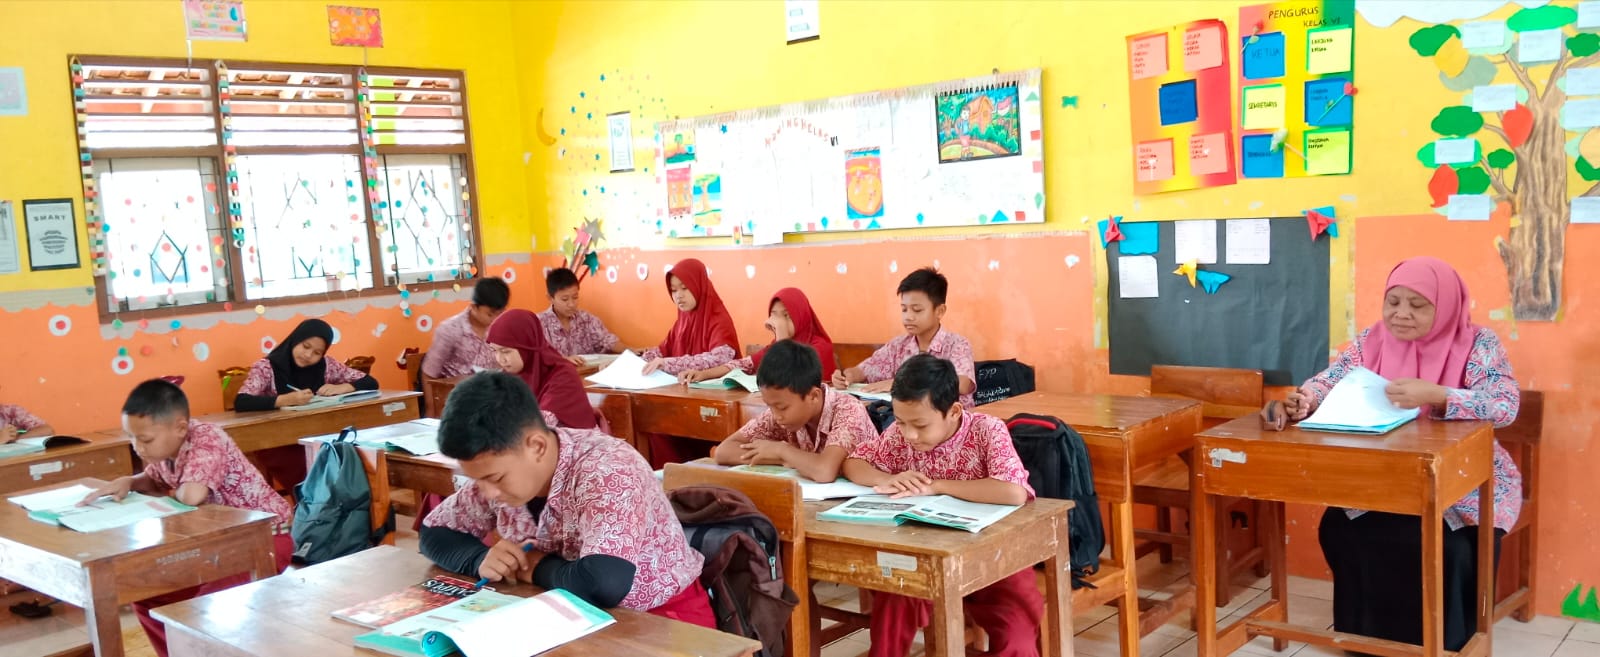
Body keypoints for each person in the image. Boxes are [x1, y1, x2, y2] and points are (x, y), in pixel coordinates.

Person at [1279, 257, 1521, 652]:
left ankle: (1445, 643)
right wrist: (1305, 399)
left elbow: (1505, 405)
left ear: (1445, 306)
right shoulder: (1371, 340)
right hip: (1386, 474)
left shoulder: (1479, 343)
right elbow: (1329, 382)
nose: (1401, 313)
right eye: (1393, 302)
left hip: (1466, 481)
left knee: (1446, 544)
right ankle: (1366, 638)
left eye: (1417, 304)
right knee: (1340, 526)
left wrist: (1440, 395)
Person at [418, 372, 714, 628]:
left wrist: (532, 566)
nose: (486, 492)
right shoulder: (502, 466)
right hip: (563, 614)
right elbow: (434, 532)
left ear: (536, 446)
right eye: (476, 479)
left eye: (494, 479)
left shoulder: (608, 468)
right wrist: (479, 559)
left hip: (658, 622)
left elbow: (604, 583)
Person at [842, 354, 1039, 657]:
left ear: (954, 411)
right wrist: (888, 478)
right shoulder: (900, 435)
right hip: (925, 560)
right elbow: (854, 463)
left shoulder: (987, 430)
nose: (909, 434)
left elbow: (1013, 492)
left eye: (920, 425)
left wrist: (937, 486)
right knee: (894, 601)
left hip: (994, 560)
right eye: (901, 421)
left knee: (1017, 638)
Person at [81, 379, 293, 657]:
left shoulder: (207, 438)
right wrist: (129, 482)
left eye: (145, 439)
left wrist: (167, 495)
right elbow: (154, 479)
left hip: (263, 540)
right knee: (149, 595)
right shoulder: (166, 448)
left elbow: (192, 495)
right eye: (131, 438)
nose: (138, 448)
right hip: (215, 545)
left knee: (202, 611)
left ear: (180, 428)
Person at [235, 319, 378, 486]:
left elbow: (370, 382)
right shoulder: (266, 367)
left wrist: (343, 387)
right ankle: (311, 501)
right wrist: (284, 400)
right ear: (295, 340)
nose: (308, 355)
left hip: (317, 435)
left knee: (347, 459)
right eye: (305, 346)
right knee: (311, 469)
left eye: (317, 352)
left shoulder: (327, 365)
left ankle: (338, 500)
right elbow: (242, 401)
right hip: (277, 440)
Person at [713, 340, 874, 482]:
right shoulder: (781, 410)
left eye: (782, 408)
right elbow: (724, 452)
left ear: (813, 396)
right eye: (769, 406)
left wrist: (781, 451)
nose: (776, 416)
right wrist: (782, 458)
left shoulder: (848, 410)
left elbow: (824, 471)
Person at [637, 258, 741, 466]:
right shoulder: (682, 320)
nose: (679, 295)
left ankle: (681, 477)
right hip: (684, 402)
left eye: (685, 288)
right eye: (674, 290)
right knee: (652, 424)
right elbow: (661, 350)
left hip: (713, 406)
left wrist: (668, 363)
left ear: (698, 285)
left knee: (661, 424)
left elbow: (721, 357)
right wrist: (630, 361)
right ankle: (667, 479)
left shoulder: (718, 317)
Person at [832, 267, 977, 409]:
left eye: (917, 310)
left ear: (940, 311)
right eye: (904, 309)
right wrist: (847, 376)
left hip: (948, 421)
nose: (908, 317)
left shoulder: (957, 344)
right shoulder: (897, 346)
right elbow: (865, 370)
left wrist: (903, 383)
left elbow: (962, 384)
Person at [680, 287, 837, 384]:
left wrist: (781, 336)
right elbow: (744, 364)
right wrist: (704, 374)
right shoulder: (775, 345)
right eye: (774, 315)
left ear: (802, 315)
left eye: (786, 315)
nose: (779, 322)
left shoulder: (820, 346)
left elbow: (790, 377)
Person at [485, 309, 598, 429]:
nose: (500, 359)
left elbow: (539, 425)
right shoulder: (506, 377)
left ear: (527, 347)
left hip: (571, 438)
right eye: (494, 351)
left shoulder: (563, 376)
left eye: (506, 351)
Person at [424, 277, 510, 379]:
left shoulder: (502, 329)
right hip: (455, 388)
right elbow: (429, 373)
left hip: (490, 386)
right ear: (474, 307)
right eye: (490, 314)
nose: (495, 319)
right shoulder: (449, 330)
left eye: (500, 314)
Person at [537, 267, 623, 366]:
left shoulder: (586, 319)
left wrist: (631, 351)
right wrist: (563, 360)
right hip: (559, 374)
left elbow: (608, 340)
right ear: (550, 298)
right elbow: (536, 358)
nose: (571, 304)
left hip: (588, 372)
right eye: (565, 299)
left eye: (575, 297)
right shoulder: (539, 323)